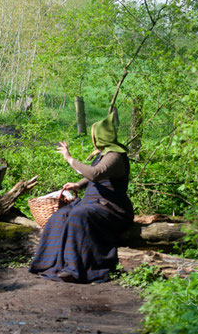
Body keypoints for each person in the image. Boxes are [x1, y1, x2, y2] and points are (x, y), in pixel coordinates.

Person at [29, 112, 134, 283]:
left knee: (78, 215)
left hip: (113, 209)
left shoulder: (115, 156)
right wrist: (79, 184)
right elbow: (97, 174)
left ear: (99, 137)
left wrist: (70, 159)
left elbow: (95, 174)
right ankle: (47, 263)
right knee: (60, 215)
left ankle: (74, 268)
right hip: (93, 203)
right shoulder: (104, 154)